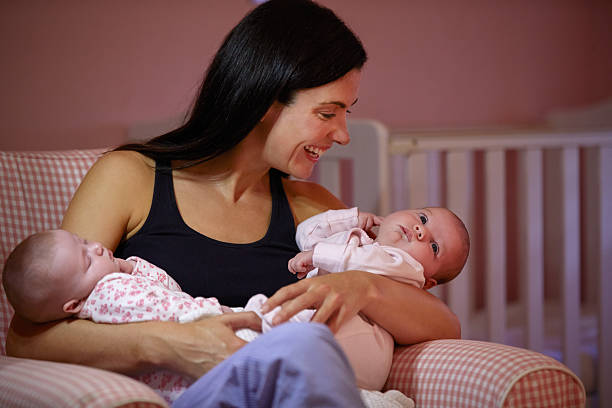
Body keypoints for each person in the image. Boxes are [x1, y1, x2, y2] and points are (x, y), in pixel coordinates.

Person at [6, 0, 460, 406]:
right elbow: (30, 340)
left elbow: (444, 326)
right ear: (265, 100)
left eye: (347, 112)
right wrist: (170, 344)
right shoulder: (131, 178)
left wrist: (364, 286)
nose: (342, 134)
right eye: (327, 112)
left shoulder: (312, 209)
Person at [3, 229, 414, 407]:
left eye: (87, 242)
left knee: (306, 352)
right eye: (327, 112)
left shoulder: (113, 280)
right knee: (305, 345)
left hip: (223, 373)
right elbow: (176, 312)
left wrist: (367, 283)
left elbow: (163, 287)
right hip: (194, 385)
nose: (96, 247)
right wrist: (229, 317)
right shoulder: (108, 293)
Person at [250, 206, 470, 390]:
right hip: (332, 339)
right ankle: (254, 330)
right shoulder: (359, 241)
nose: (421, 230)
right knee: (285, 321)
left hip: (362, 347)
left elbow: (364, 262)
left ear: (428, 282)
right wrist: (350, 219)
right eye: (423, 218)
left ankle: (259, 337)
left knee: (295, 328)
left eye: (434, 247)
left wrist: (318, 255)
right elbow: (306, 235)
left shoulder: (405, 267)